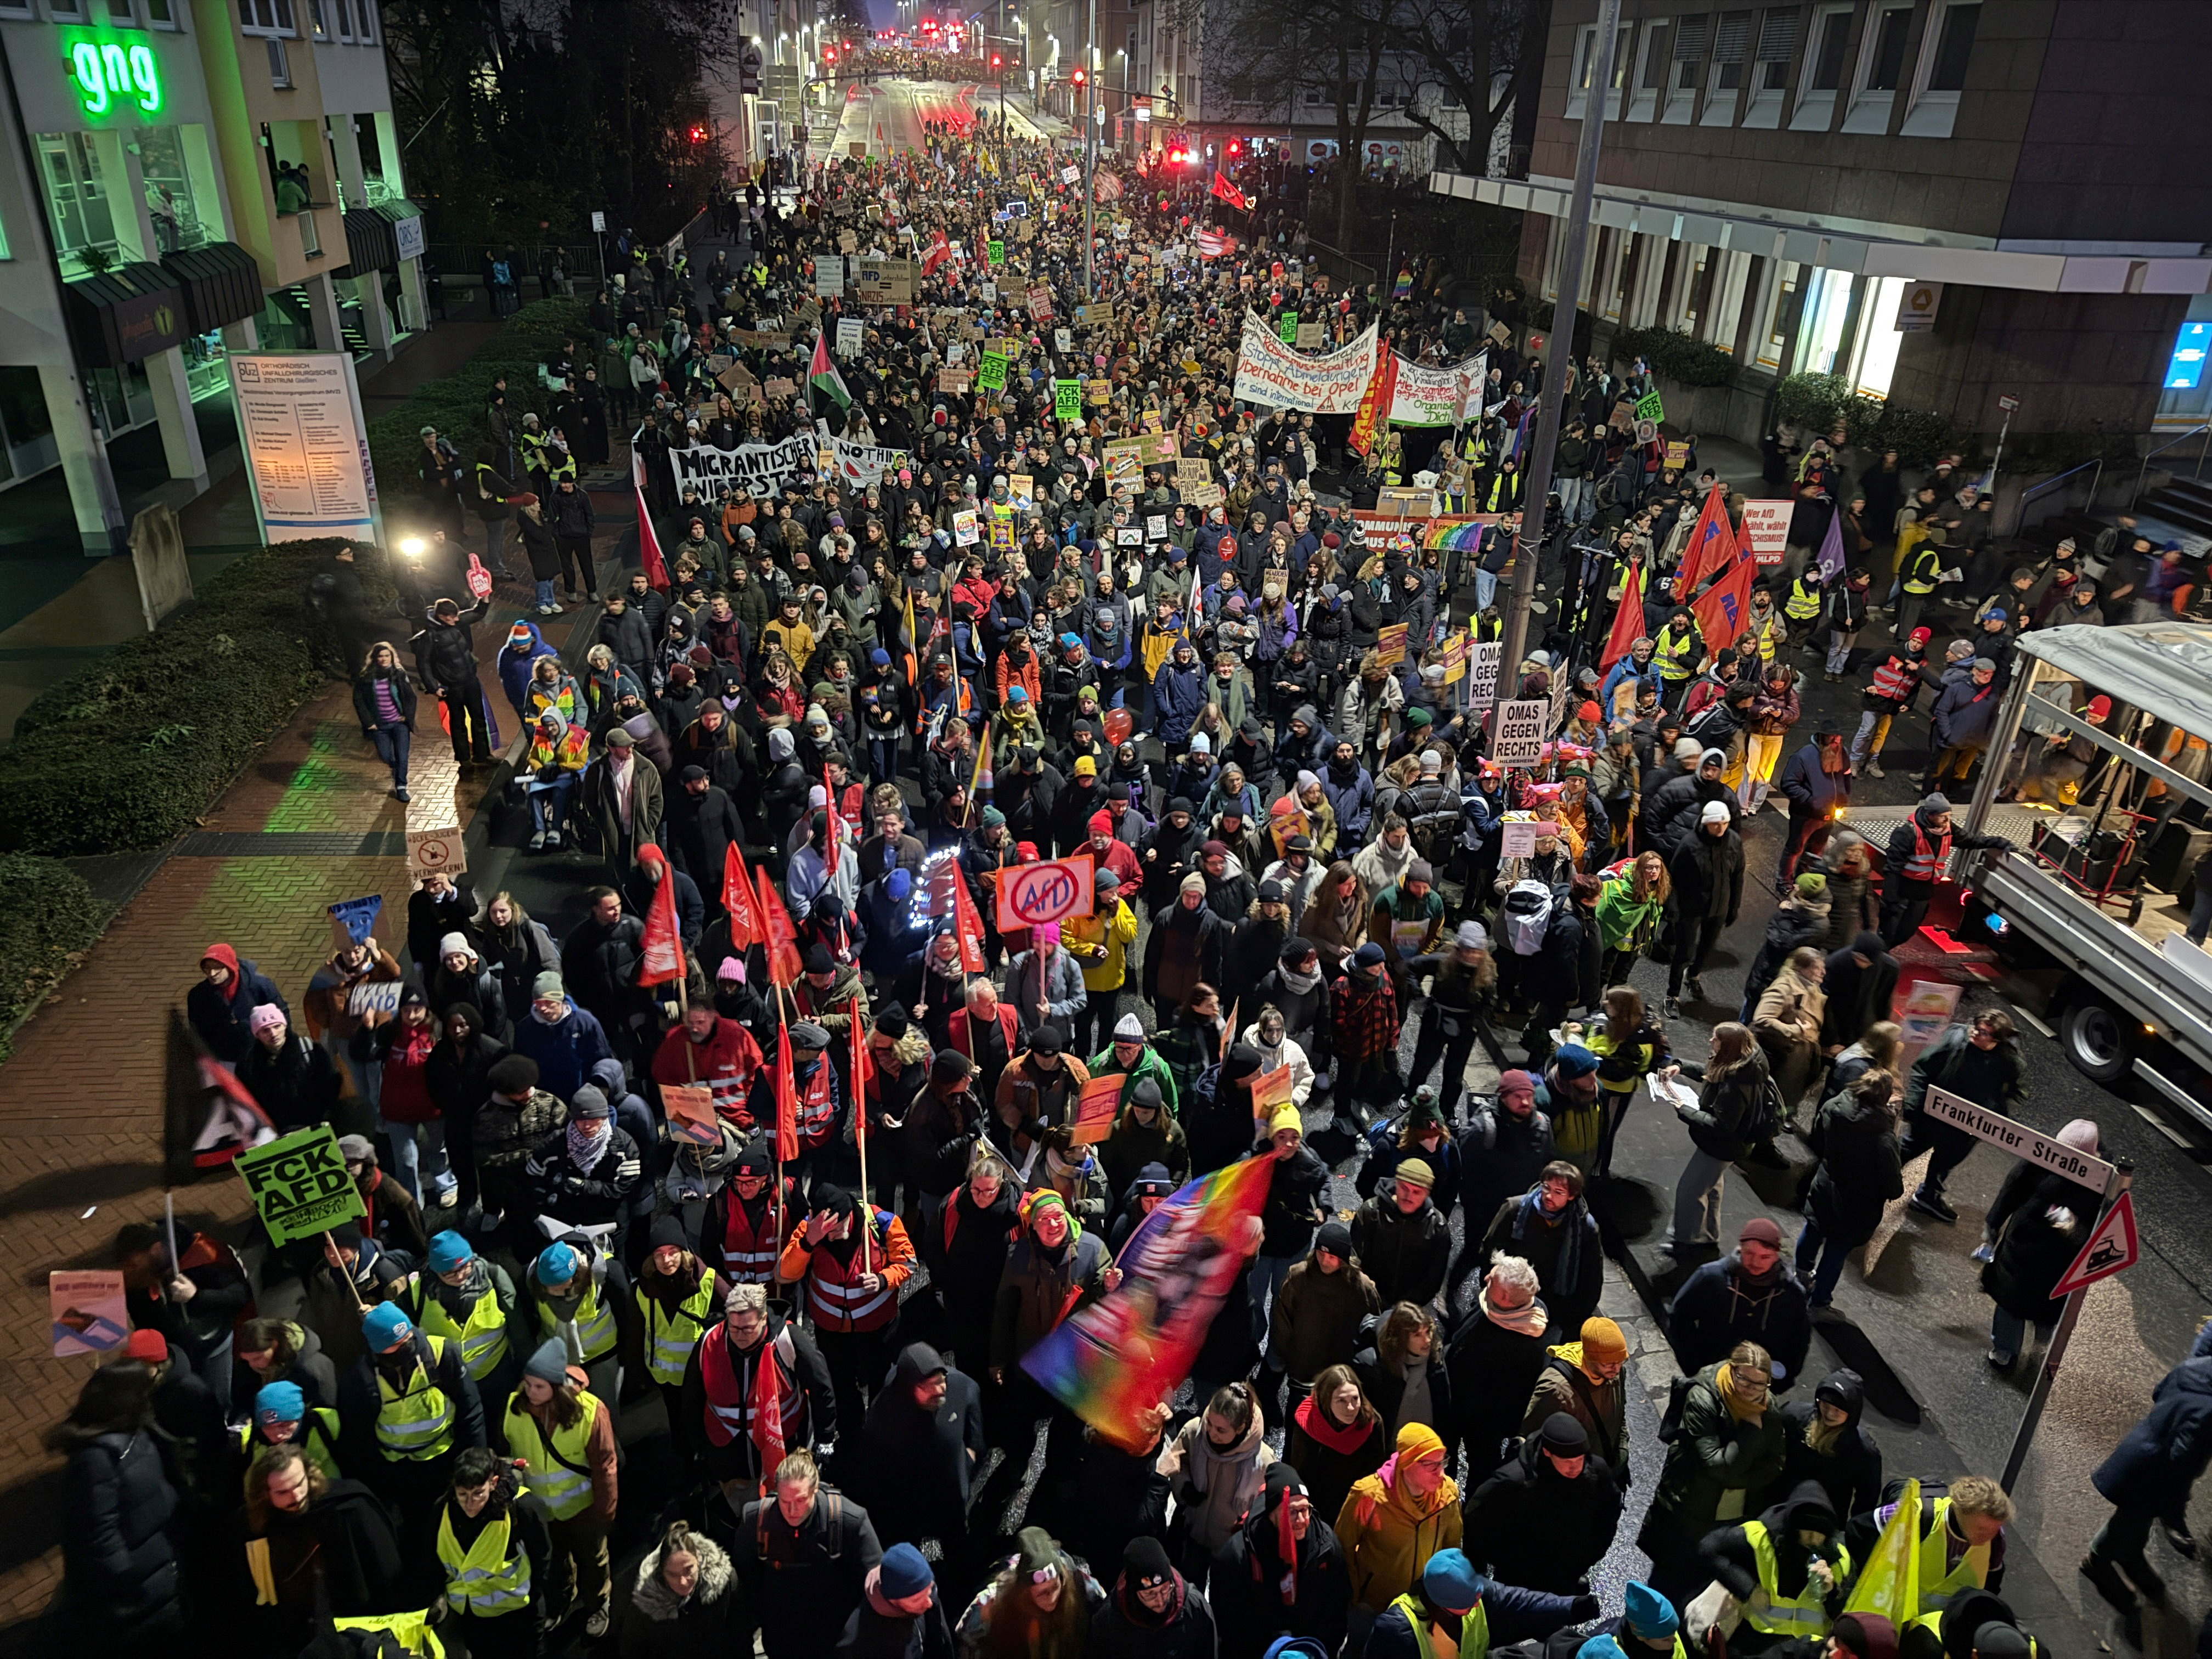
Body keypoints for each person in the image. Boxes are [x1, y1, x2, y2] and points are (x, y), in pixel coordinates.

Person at [1635, 1340, 1787, 1612]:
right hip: (1691, 1507)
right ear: (1731, 1369)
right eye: (1743, 1379)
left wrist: (1737, 1480)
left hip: (1733, 1514)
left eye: (1759, 1384)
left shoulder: (1768, 1407)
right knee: (1667, 1580)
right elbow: (1714, 1464)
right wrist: (1751, 1435)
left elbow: (1775, 1464)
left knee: (1703, 1579)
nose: (1750, 1389)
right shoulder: (1704, 1398)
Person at [47, 1361, 184, 1643]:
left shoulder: (132, 1431)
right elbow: (99, 1535)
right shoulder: (96, 1460)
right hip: (136, 1592)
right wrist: (127, 1581)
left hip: (156, 1568)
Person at [781, 1182, 918, 1444]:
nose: (831, 1238)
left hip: (879, 1328)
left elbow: (908, 1262)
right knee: (842, 1388)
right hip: (831, 1331)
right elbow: (785, 1273)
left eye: (835, 1231)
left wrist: (883, 1279)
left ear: (848, 1217)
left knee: (882, 1384)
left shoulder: (882, 1223)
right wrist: (809, 1241)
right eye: (825, 1233)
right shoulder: (811, 1230)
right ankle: (851, 1439)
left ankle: (880, 1436)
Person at [680, 1281, 836, 1498]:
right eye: (734, 1328)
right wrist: (701, 1447)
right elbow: (691, 1399)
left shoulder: (788, 1340)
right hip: (729, 1458)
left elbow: (821, 1388)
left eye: (748, 1329)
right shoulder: (709, 1343)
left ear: (763, 1319)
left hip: (785, 1452)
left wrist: (824, 1438)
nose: (740, 1335)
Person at [504, 1338, 617, 1634]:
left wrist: (604, 1514)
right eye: (528, 1384)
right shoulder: (516, 1407)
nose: (530, 1392)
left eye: (539, 1387)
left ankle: (598, 1604)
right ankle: (563, 1599)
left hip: (583, 1509)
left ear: (557, 1388)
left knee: (592, 1561)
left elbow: (604, 1466)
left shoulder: (590, 1412)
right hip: (543, 1511)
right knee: (554, 1561)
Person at [337, 1299, 486, 1521]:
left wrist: (477, 1461)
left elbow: (470, 1409)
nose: (407, 1346)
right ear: (377, 1349)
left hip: (447, 1458)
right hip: (401, 1471)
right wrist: (380, 1487)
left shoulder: (441, 1354)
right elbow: (361, 1439)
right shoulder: (362, 1378)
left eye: (408, 1338)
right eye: (396, 1345)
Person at [736, 1448, 885, 1659]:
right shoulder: (756, 1520)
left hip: (835, 1638)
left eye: (800, 1500)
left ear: (815, 1489)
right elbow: (743, 1585)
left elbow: (876, 1586)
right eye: (785, 1502)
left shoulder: (849, 1520)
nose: (792, 1511)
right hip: (780, 1637)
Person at [1980, 1119, 2105, 1370]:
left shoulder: (2048, 1159)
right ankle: (2023, 1350)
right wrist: (1993, 1224)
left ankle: (2016, 1351)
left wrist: (1993, 1226)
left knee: (2022, 1307)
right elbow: (2012, 1189)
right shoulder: (2097, 1179)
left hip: (2041, 1256)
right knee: (2025, 1306)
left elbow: (2012, 1189)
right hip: (2036, 1256)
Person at [1464, 1412, 1624, 1594]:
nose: (1575, 1468)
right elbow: (1476, 1524)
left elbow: (1608, 1515)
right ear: (1548, 1452)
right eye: (1566, 1461)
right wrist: (1502, 1564)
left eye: (1579, 1460)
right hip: (1519, 1582)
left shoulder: (1597, 1472)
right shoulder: (1513, 1481)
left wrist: (1588, 1558)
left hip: (1567, 1575)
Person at [1210, 1462, 1353, 1659]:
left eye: (1305, 1510)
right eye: (1292, 1512)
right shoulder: (1237, 1555)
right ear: (1271, 1514)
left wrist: (1319, 1649)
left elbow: (1337, 1606)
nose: (1301, 1520)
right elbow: (1230, 1623)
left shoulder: (1326, 1545)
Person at [855, 1342, 988, 1554]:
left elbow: (976, 1439)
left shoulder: (964, 1387)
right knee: (908, 1553)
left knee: (958, 1551)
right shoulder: (886, 1408)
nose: (939, 1390)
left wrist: (966, 1466)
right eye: (928, 1386)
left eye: (941, 1381)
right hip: (909, 1501)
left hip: (951, 1499)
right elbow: (875, 1457)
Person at [1335, 1419, 1463, 1635]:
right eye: (1431, 1465)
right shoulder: (1368, 1496)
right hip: (1376, 1607)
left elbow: (1452, 1547)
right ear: (1407, 1464)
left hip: (1422, 1605)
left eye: (1442, 1463)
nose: (1440, 1473)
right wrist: (1356, 1595)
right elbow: (1343, 1546)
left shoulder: (1447, 1494)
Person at [1898, 1011, 2025, 1224]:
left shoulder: (2007, 1060)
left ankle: (1929, 1195)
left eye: (1983, 1032)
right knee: (1908, 1150)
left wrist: (1992, 1119)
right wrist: (1914, 1104)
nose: (1975, 1032)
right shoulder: (1954, 1038)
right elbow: (1923, 1069)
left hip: (1965, 1125)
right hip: (1932, 1114)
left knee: (1946, 1161)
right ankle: (1876, 1182)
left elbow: (2012, 1091)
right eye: (1976, 1027)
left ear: (1996, 1040)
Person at [1695, 1480, 1849, 1655]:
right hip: (1759, 1639)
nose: (1814, 1540)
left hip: (1809, 1646)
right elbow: (1708, 1549)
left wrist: (1832, 1592)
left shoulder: (1839, 1557)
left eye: (1820, 1534)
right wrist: (1749, 1589)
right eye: (1809, 1533)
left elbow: (1847, 1612)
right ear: (1793, 1527)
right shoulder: (1759, 1539)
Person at [1364, 1547, 1594, 1659]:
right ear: (1443, 1604)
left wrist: (1572, 1607)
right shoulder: (1396, 1629)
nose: (1477, 1604)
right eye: (1469, 1603)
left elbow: (1522, 1601)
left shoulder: (1474, 1591)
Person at [1797, 1070, 1904, 1308]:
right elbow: (1893, 1186)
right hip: (1857, 1207)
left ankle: (1800, 1276)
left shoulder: (1834, 1107)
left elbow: (1819, 1138)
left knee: (1813, 1229)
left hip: (1825, 1186)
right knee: (1836, 1251)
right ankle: (1819, 1301)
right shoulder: (1883, 1138)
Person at [435, 1446, 554, 1659]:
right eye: (462, 1495)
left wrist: (535, 1597)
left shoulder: (523, 1509)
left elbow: (542, 1559)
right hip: (474, 1620)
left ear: (494, 1483)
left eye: (478, 1494)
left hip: (520, 1617)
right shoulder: (442, 1510)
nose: (470, 1504)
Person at [1668, 1217, 1814, 1390]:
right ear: (1740, 1249)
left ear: (1776, 1256)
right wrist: (1692, 1362)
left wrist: (1784, 1379)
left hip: (1759, 1385)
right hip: (1711, 1377)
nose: (1756, 1263)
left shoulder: (1791, 1293)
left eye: (1765, 1257)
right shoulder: (1711, 1277)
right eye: (1749, 1253)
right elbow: (1679, 1316)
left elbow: (1800, 1339)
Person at [1666, 1023, 1773, 1252]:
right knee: (1712, 1188)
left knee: (1690, 1192)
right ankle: (1707, 1235)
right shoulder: (1740, 1064)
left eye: (1716, 1039)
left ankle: (1686, 1242)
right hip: (1728, 1147)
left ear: (1728, 1046)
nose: (1710, 1041)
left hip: (1722, 1147)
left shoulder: (1736, 1085)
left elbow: (1721, 1126)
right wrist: (1681, 1067)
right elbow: (1711, 1073)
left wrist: (1685, 1110)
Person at [1159, 1380, 1276, 1582]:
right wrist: (1184, 1487)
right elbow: (1176, 1461)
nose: (1211, 1433)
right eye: (1210, 1423)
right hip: (1193, 1531)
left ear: (1240, 1428)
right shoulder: (1194, 1431)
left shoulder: (1263, 1460)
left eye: (1221, 1430)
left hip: (1230, 1544)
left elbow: (1265, 1506)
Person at [1272, 1222, 1382, 1422]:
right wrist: (1291, 1356)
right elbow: (1283, 1321)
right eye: (1320, 1254)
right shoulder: (1298, 1276)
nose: (1324, 1261)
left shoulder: (1361, 1286)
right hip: (1303, 1369)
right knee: (1298, 1422)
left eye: (1332, 1257)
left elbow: (1373, 1325)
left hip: (1341, 1374)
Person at [1284, 1362, 1392, 1535]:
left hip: (1355, 1504)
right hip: (1317, 1506)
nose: (1350, 1408)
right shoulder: (1308, 1425)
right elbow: (1300, 1471)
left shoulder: (1372, 1423)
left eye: (1355, 1399)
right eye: (1341, 1400)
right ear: (1327, 1400)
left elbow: (1375, 1471)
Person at [620, 1517, 752, 1658]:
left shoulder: (725, 1582)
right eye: (673, 1574)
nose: (683, 1582)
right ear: (661, 1571)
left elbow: (741, 1637)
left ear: (698, 1559)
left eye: (688, 1570)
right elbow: (632, 1649)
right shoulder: (645, 1599)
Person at [1523, 1317, 1630, 1481]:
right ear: (1589, 1357)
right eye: (1607, 1363)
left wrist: (1622, 1450)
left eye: (1620, 1361)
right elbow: (1532, 1436)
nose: (1616, 1369)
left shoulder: (1616, 1373)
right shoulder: (1556, 1388)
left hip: (1605, 1471)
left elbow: (1620, 1413)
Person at [1666, 801, 1742, 1019]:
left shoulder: (1734, 841)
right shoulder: (1690, 844)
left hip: (1719, 906)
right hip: (1692, 908)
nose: (1721, 828)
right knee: (1684, 952)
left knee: (1707, 948)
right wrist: (1673, 907)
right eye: (1716, 824)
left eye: (1725, 823)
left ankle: (1694, 976)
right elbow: (1674, 878)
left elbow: (1738, 875)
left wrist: (1734, 906)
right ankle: (1672, 995)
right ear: (1706, 823)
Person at [1091, 1534, 1220, 1659]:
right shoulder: (1108, 1621)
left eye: (1165, 1589)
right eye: (1150, 1594)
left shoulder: (1196, 1608)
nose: (1160, 1601)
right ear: (1133, 1593)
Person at [1779, 1370, 1884, 1522]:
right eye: (1826, 1405)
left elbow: (1867, 1496)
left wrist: (1854, 1529)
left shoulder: (1863, 1451)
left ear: (1852, 1413)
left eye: (1838, 1410)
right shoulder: (1793, 1416)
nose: (1829, 1414)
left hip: (1824, 1518)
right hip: (1781, 1505)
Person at [1349, 1159, 1451, 1312]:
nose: (1408, 1196)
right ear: (1396, 1183)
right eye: (1404, 1187)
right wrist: (1361, 1286)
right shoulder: (1371, 1212)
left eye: (1417, 1192)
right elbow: (1354, 1254)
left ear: (1427, 1193)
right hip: (1366, 1297)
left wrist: (1405, 1307)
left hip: (1406, 1309)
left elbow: (1432, 1280)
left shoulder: (1437, 1227)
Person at [839, 1541, 957, 1659]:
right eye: (917, 1600)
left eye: (929, 1591)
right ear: (894, 1602)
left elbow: (941, 1645)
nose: (929, 1603)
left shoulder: (921, 1590)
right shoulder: (860, 1645)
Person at [353, 641, 419, 803]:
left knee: (402, 757)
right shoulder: (367, 677)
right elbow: (359, 700)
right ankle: (396, 769)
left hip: (399, 724)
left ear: (392, 656)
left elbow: (410, 697)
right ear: (375, 658)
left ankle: (401, 787)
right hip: (380, 726)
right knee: (385, 756)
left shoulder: (398, 674)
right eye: (380, 656)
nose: (384, 659)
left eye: (387, 656)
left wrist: (407, 716)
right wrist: (369, 722)